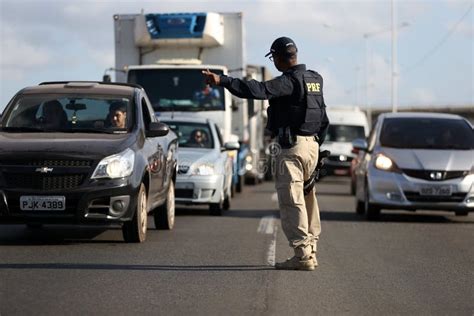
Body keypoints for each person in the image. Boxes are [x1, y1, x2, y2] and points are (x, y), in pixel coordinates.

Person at [203, 36, 329, 271]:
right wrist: (317, 147)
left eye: (274, 59)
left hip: (292, 148)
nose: (275, 64)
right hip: (312, 146)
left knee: (292, 201)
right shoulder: (315, 79)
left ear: (280, 57)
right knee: (309, 199)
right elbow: (323, 117)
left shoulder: (289, 81)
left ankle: (302, 255)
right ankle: (310, 249)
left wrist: (222, 80)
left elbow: (258, 90)